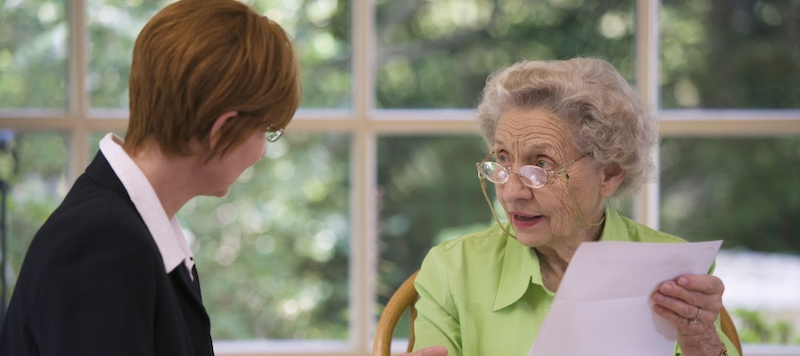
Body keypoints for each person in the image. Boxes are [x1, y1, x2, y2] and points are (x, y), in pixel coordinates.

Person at [0, 1, 448, 356]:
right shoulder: (103, 245)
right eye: (266, 131)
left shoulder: (131, 226)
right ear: (223, 130)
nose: (262, 151)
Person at [411, 57, 738, 356]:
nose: (511, 192)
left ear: (609, 173)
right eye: (503, 159)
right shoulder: (453, 270)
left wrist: (702, 343)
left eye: (541, 165)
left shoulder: (674, 270)